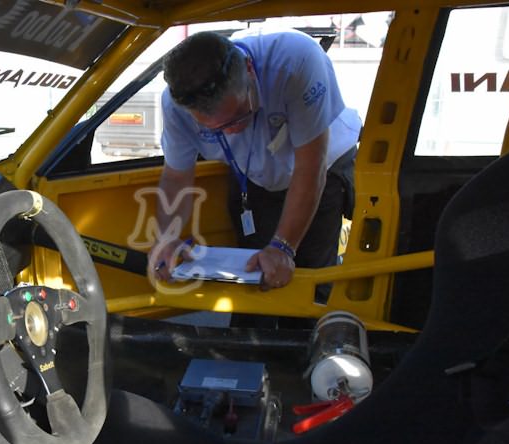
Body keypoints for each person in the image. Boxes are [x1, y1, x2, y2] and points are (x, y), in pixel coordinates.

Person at [148, 30, 361, 298]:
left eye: (238, 117)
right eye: (215, 129)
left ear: (249, 69)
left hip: (324, 166)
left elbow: (310, 166)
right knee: (254, 275)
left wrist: (283, 247)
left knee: (310, 282)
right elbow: (176, 177)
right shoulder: (175, 106)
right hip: (254, 175)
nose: (231, 132)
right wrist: (167, 237)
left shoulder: (295, 62)